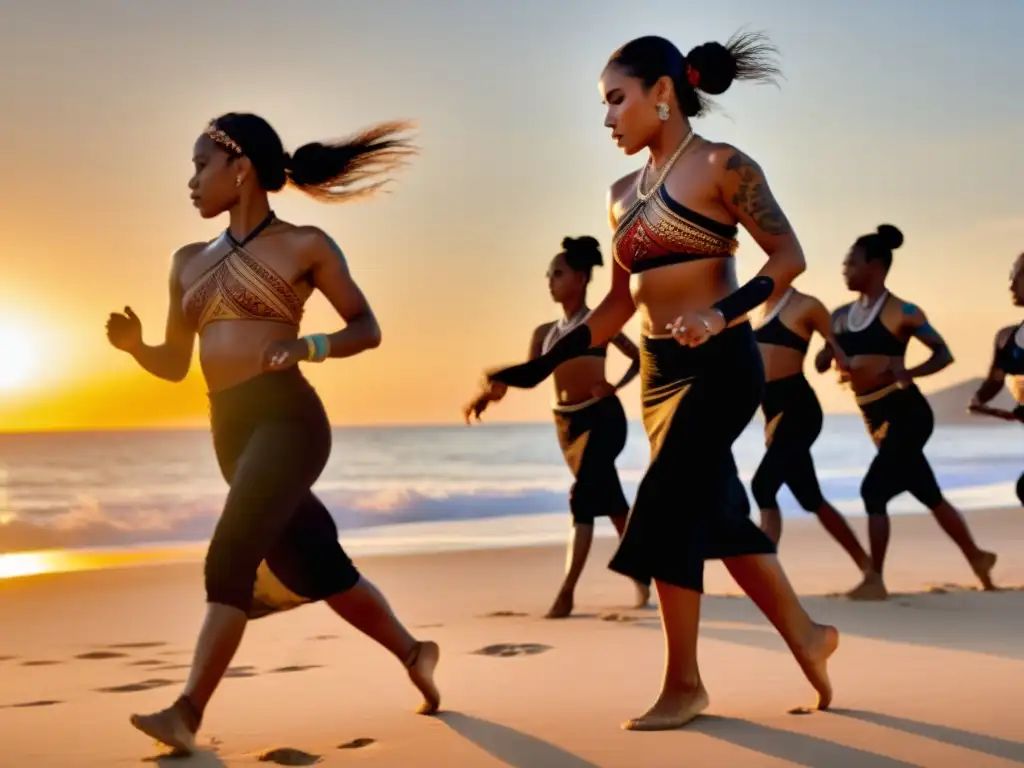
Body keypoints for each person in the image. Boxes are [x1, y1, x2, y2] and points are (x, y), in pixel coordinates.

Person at [467, 32, 838, 731]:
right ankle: (810, 637)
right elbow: (613, 308)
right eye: (603, 104)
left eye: (616, 100)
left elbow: (790, 255)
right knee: (719, 516)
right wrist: (527, 371)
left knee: (663, 498)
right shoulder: (617, 195)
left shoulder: (724, 166)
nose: (607, 119)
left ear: (661, 94)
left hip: (723, 364)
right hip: (659, 376)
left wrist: (721, 313)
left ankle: (684, 682)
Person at [106, 113, 439, 754]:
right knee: (322, 568)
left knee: (229, 556)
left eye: (201, 165)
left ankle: (187, 711)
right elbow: (176, 365)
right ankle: (416, 652)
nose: (191, 181)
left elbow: (366, 327)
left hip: (290, 420)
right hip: (228, 429)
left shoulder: (304, 244)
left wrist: (309, 344)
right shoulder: (184, 263)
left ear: (240, 167)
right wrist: (133, 348)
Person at [464, 236, 649, 618]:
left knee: (581, 497)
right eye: (549, 274)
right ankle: (645, 573)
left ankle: (566, 593)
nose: (550, 280)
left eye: (558, 273)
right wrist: (488, 394)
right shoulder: (544, 333)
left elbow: (640, 358)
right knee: (610, 500)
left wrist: (616, 384)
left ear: (581, 278)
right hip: (566, 425)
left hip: (603, 418)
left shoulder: (599, 323)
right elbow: (530, 377)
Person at [815, 225, 998, 599]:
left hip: (908, 413)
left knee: (873, 491)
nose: (844, 269)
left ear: (875, 264)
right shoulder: (838, 317)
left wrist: (908, 372)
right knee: (926, 491)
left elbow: (943, 354)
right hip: (872, 416)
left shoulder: (904, 311)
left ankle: (875, 579)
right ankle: (979, 557)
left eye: (851, 262)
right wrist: (828, 356)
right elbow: (824, 361)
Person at [752, 285, 878, 590]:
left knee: (763, 486)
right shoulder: (759, 307)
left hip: (798, 408)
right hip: (771, 411)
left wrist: (831, 355)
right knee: (811, 499)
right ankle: (869, 571)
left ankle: (765, 579)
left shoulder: (807, 305)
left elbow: (838, 348)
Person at [968, 252, 1024, 506]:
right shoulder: (1006, 337)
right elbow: (995, 379)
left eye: (1017, 275)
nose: (1011, 284)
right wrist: (979, 398)